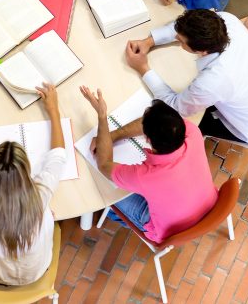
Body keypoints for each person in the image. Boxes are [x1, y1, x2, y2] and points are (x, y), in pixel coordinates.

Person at [125, 9, 248, 145]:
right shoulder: (225, 20)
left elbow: (175, 107)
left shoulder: (213, 81)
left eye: (181, 42)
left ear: (201, 51)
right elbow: (181, 28)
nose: (176, 39)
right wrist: (149, 41)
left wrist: (143, 68)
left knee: (178, 128)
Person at [0, 84, 65, 285]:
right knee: (49, 217)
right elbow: (58, 156)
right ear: (26, 171)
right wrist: (53, 110)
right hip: (30, 274)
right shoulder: (39, 195)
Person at [80, 87, 217, 242]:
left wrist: (102, 116)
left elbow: (104, 164)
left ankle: (112, 215)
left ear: (148, 139)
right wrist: (112, 136)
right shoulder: (191, 131)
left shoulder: (146, 176)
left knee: (107, 192)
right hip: (207, 205)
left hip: (169, 230)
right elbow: (154, 123)